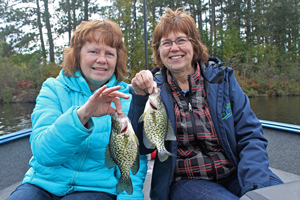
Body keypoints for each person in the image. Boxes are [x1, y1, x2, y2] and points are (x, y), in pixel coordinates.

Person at [128, 8, 283, 200]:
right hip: (186, 180)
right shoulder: (153, 89)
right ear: (159, 51)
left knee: (273, 196)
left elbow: (250, 135)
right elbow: (142, 148)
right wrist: (140, 96)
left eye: (181, 40)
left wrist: (255, 185)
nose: (174, 48)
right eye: (166, 43)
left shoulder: (223, 80)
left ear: (194, 45)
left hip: (236, 172)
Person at [6, 20, 147, 200]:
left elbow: (133, 160)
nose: (102, 59)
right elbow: (44, 154)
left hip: (97, 188)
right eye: (93, 51)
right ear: (77, 55)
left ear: (117, 60)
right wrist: (83, 115)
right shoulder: (52, 89)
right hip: (42, 184)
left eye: (110, 53)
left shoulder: (126, 98)